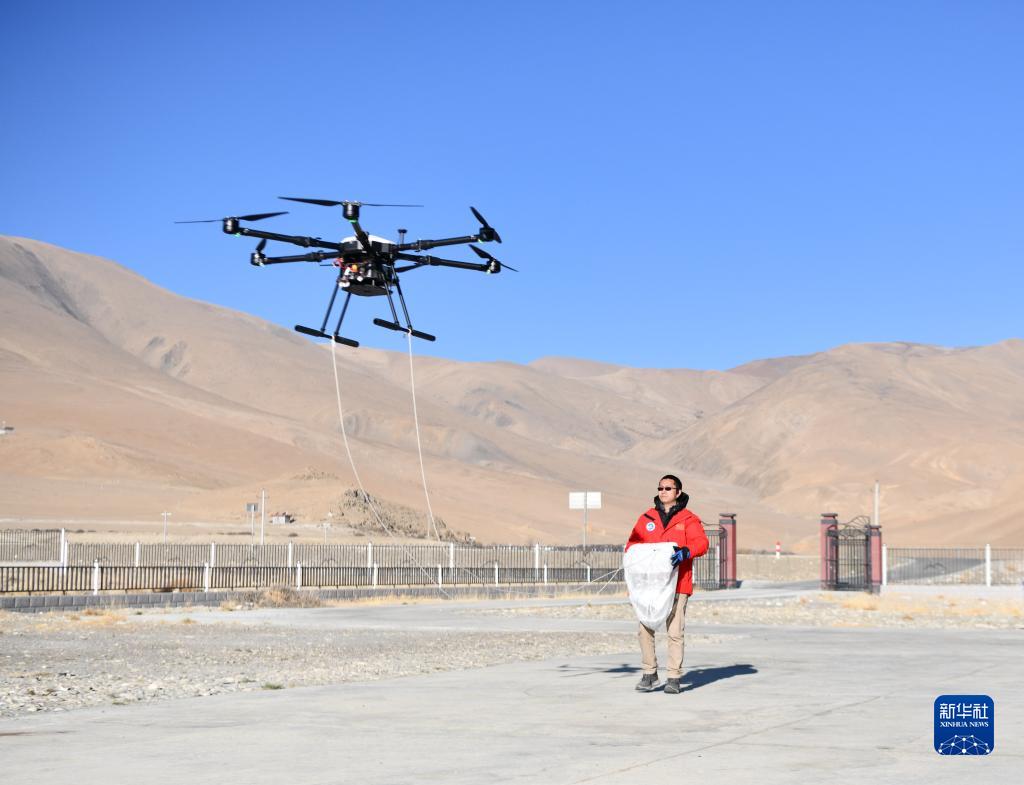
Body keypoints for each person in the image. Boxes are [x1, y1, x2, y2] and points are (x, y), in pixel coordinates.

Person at [625, 473, 708, 694]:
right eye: (660, 488)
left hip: (678, 584)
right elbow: (632, 546)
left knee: (675, 631)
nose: (663, 492)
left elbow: (702, 543)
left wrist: (686, 551)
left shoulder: (688, 519)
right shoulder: (647, 518)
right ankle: (649, 673)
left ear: (678, 492)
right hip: (650, 586)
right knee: (644, 628)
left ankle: (673, 677)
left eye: (668, 488)